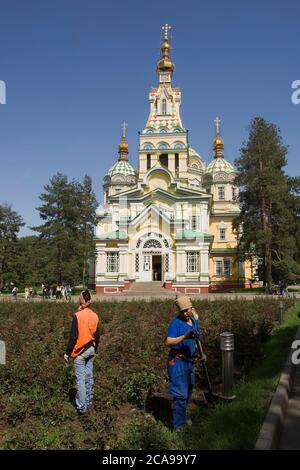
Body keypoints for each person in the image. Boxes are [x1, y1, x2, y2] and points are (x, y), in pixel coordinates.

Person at [165, 295, 202, 430]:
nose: (186, 313)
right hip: (178, 363)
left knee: (189, 388)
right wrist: (184, 336)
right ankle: (178, 427)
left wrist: (202, 353)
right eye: (183, 311)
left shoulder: (193, 320)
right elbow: (168, 342)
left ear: (191, 309)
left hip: (190, 362)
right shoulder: (175, 323)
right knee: (180, 395)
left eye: (188, 310)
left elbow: (198, 338)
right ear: (179, 311)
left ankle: (181, 417)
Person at [64, 290, 100, 415]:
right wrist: (96, 350)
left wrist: (67, 353)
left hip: (80, 352)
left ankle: (81, 408)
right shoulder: (95, 316)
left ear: (82, 300)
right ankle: (89, 402)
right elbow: (97, 335)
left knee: (80, 381)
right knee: (89, 376)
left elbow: (73, 337)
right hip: (91, 349)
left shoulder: (78, 316)